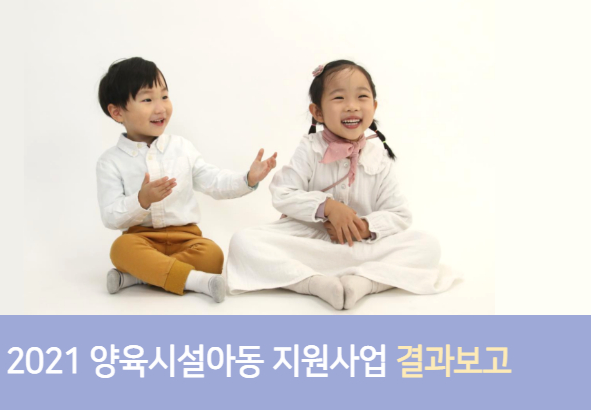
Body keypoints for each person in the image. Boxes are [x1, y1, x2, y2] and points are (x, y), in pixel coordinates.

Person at [226, 60, 459, 310]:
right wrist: (327, 207)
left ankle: (364, 282)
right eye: (339, 98)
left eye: (362, 97)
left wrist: (365, 227)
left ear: (374, 106)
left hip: (360, 246)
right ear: (318, 112)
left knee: (427, 245)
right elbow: (282, 193)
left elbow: (399, 214)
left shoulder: (379, 158)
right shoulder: (310, 148)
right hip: (310, 244)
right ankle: (313, 283)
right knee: (243, 242)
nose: (352, 106)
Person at [96, 57, 277, 302]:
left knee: (212, 255)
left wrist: (248, 179)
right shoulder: (110, 161)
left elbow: (214, 181)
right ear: (117, 112)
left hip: (186, 238)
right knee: (121, 250)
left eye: (164, 96)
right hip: (141, 239)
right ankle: (196, 281)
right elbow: (110, 216)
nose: (161, 107)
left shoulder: (182, 148)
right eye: (147, 100)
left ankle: (138, 277)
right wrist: (141, 200)